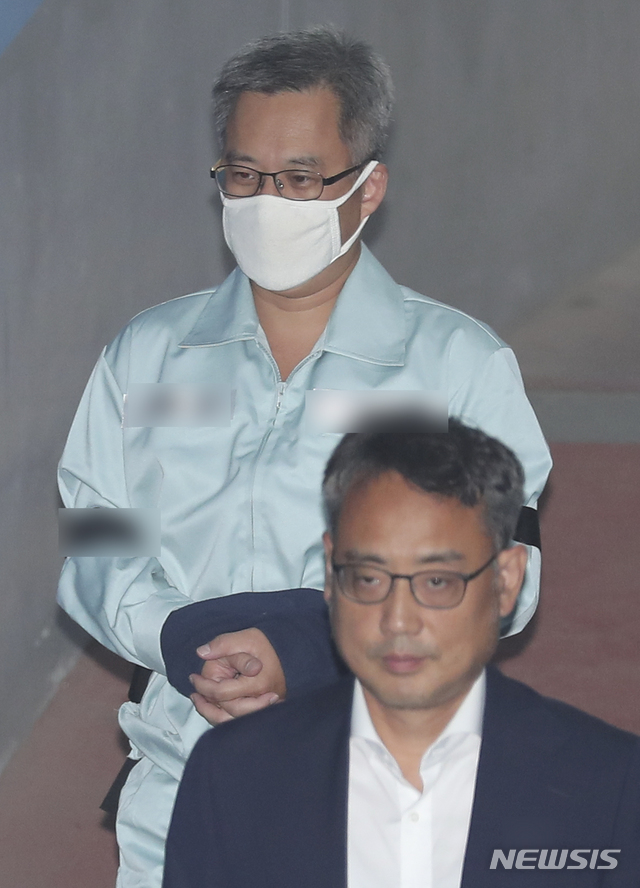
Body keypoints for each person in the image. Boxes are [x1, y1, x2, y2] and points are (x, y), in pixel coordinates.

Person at [56, 27, 551, 887]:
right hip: (183, 781)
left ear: (367, 188)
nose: (266, 201)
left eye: (298, 179)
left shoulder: (457, 366)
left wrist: (309, 641)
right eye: (244, 176)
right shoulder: (147, 354)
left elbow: (509, 579)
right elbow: (95, 533)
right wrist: (179, 635)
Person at [163, 420, 640, 888]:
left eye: (437, 582)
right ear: (331, 572)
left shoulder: (608, 783)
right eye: (369, 578)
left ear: (507, 580)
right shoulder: (235, 774)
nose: (397, 620)